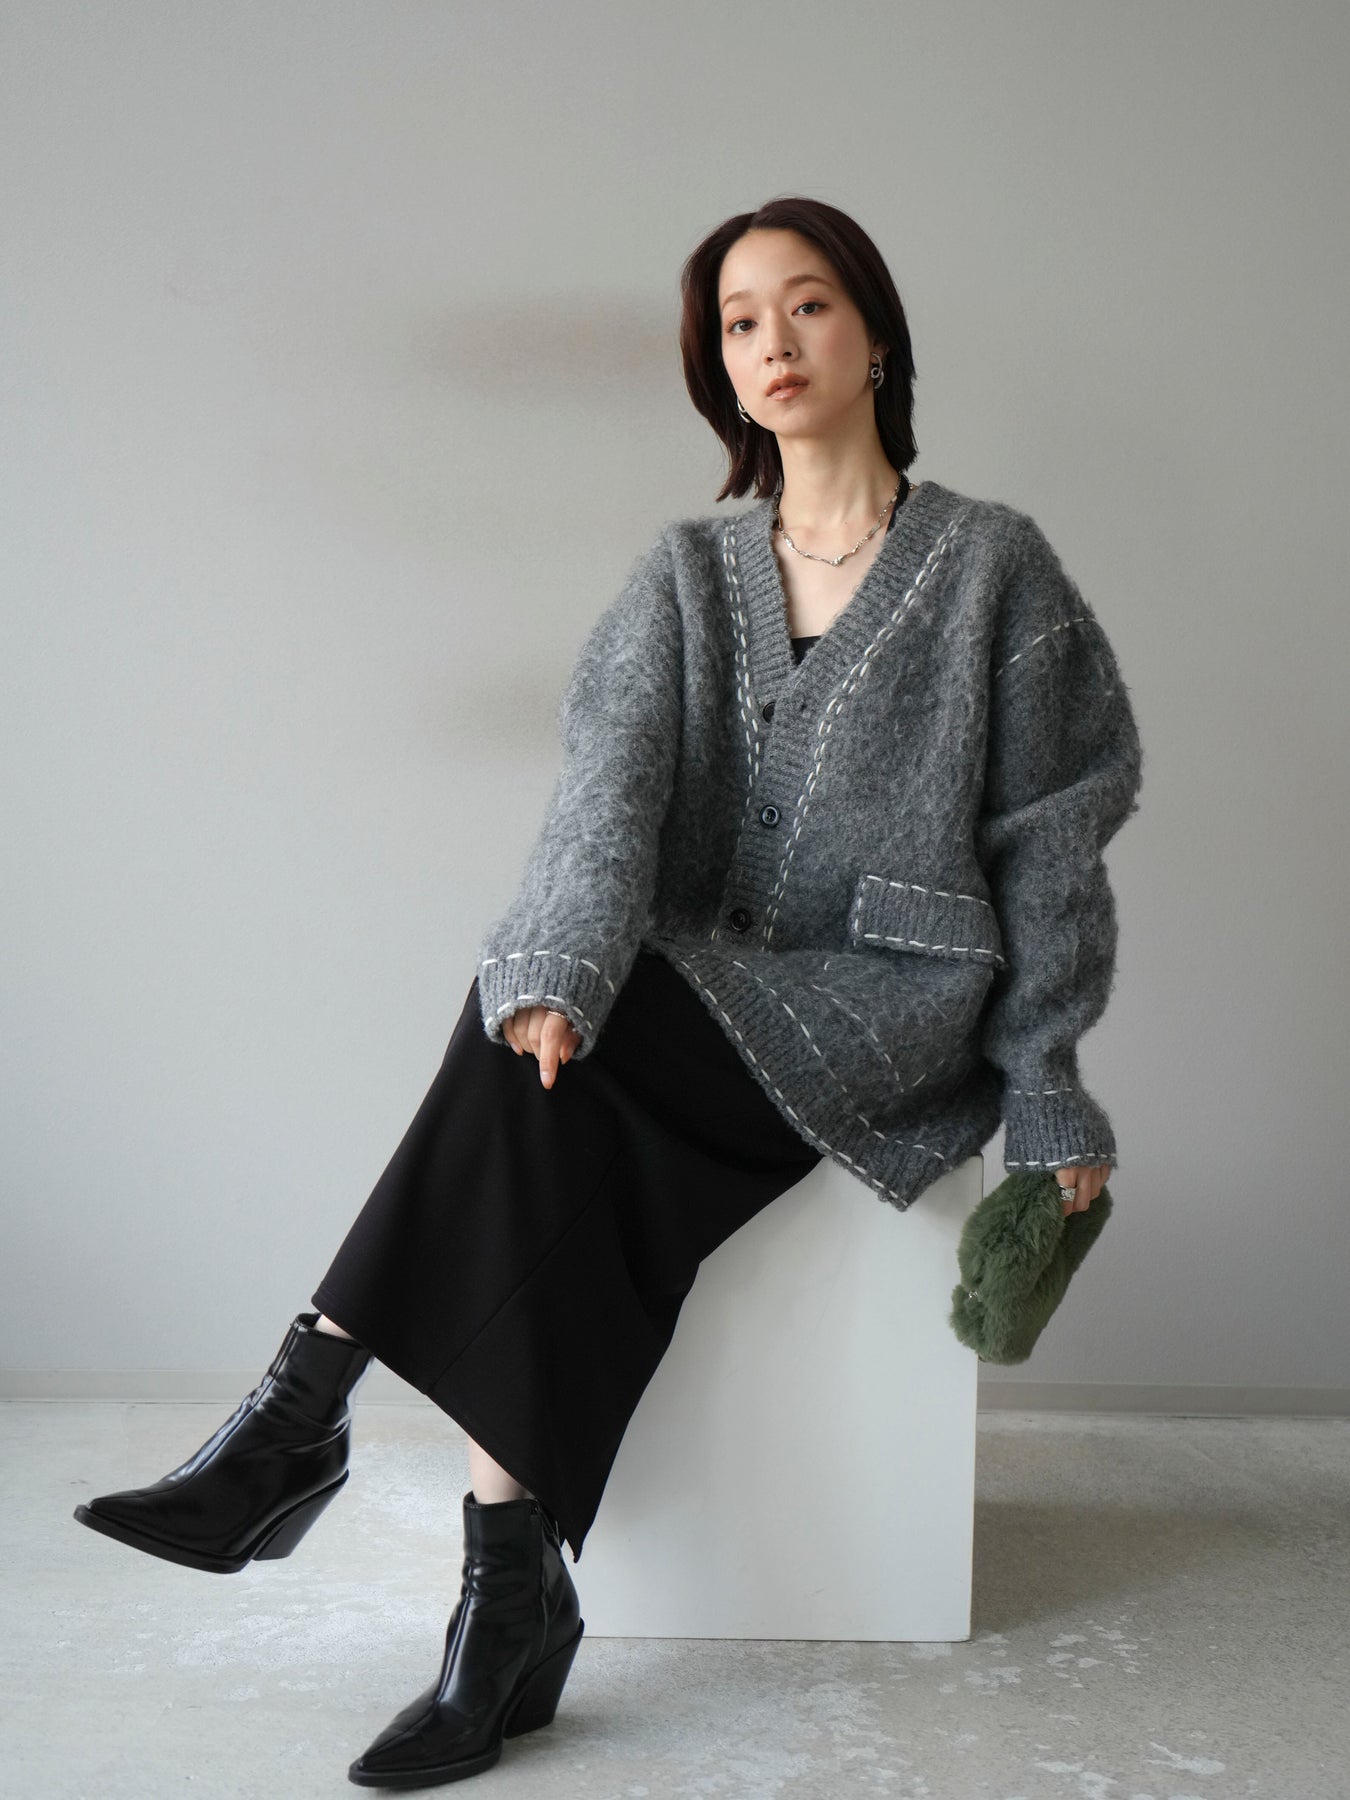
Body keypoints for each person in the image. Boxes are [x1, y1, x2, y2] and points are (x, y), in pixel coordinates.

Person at [72, 195, 1144, 1789]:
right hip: (687, 989)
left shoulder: (994, 568)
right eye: (738, 323)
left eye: (806, 306)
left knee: (545, 1051)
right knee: (535, 1059)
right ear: (715, 368)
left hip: (886, 1002)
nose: (773, 343)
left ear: (874, 333)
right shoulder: (684, 575)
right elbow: (604, 799)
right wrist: (560, 972)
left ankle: (305, 1422)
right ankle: (499, 1599)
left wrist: (1048, 1084)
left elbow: (1051, 842)